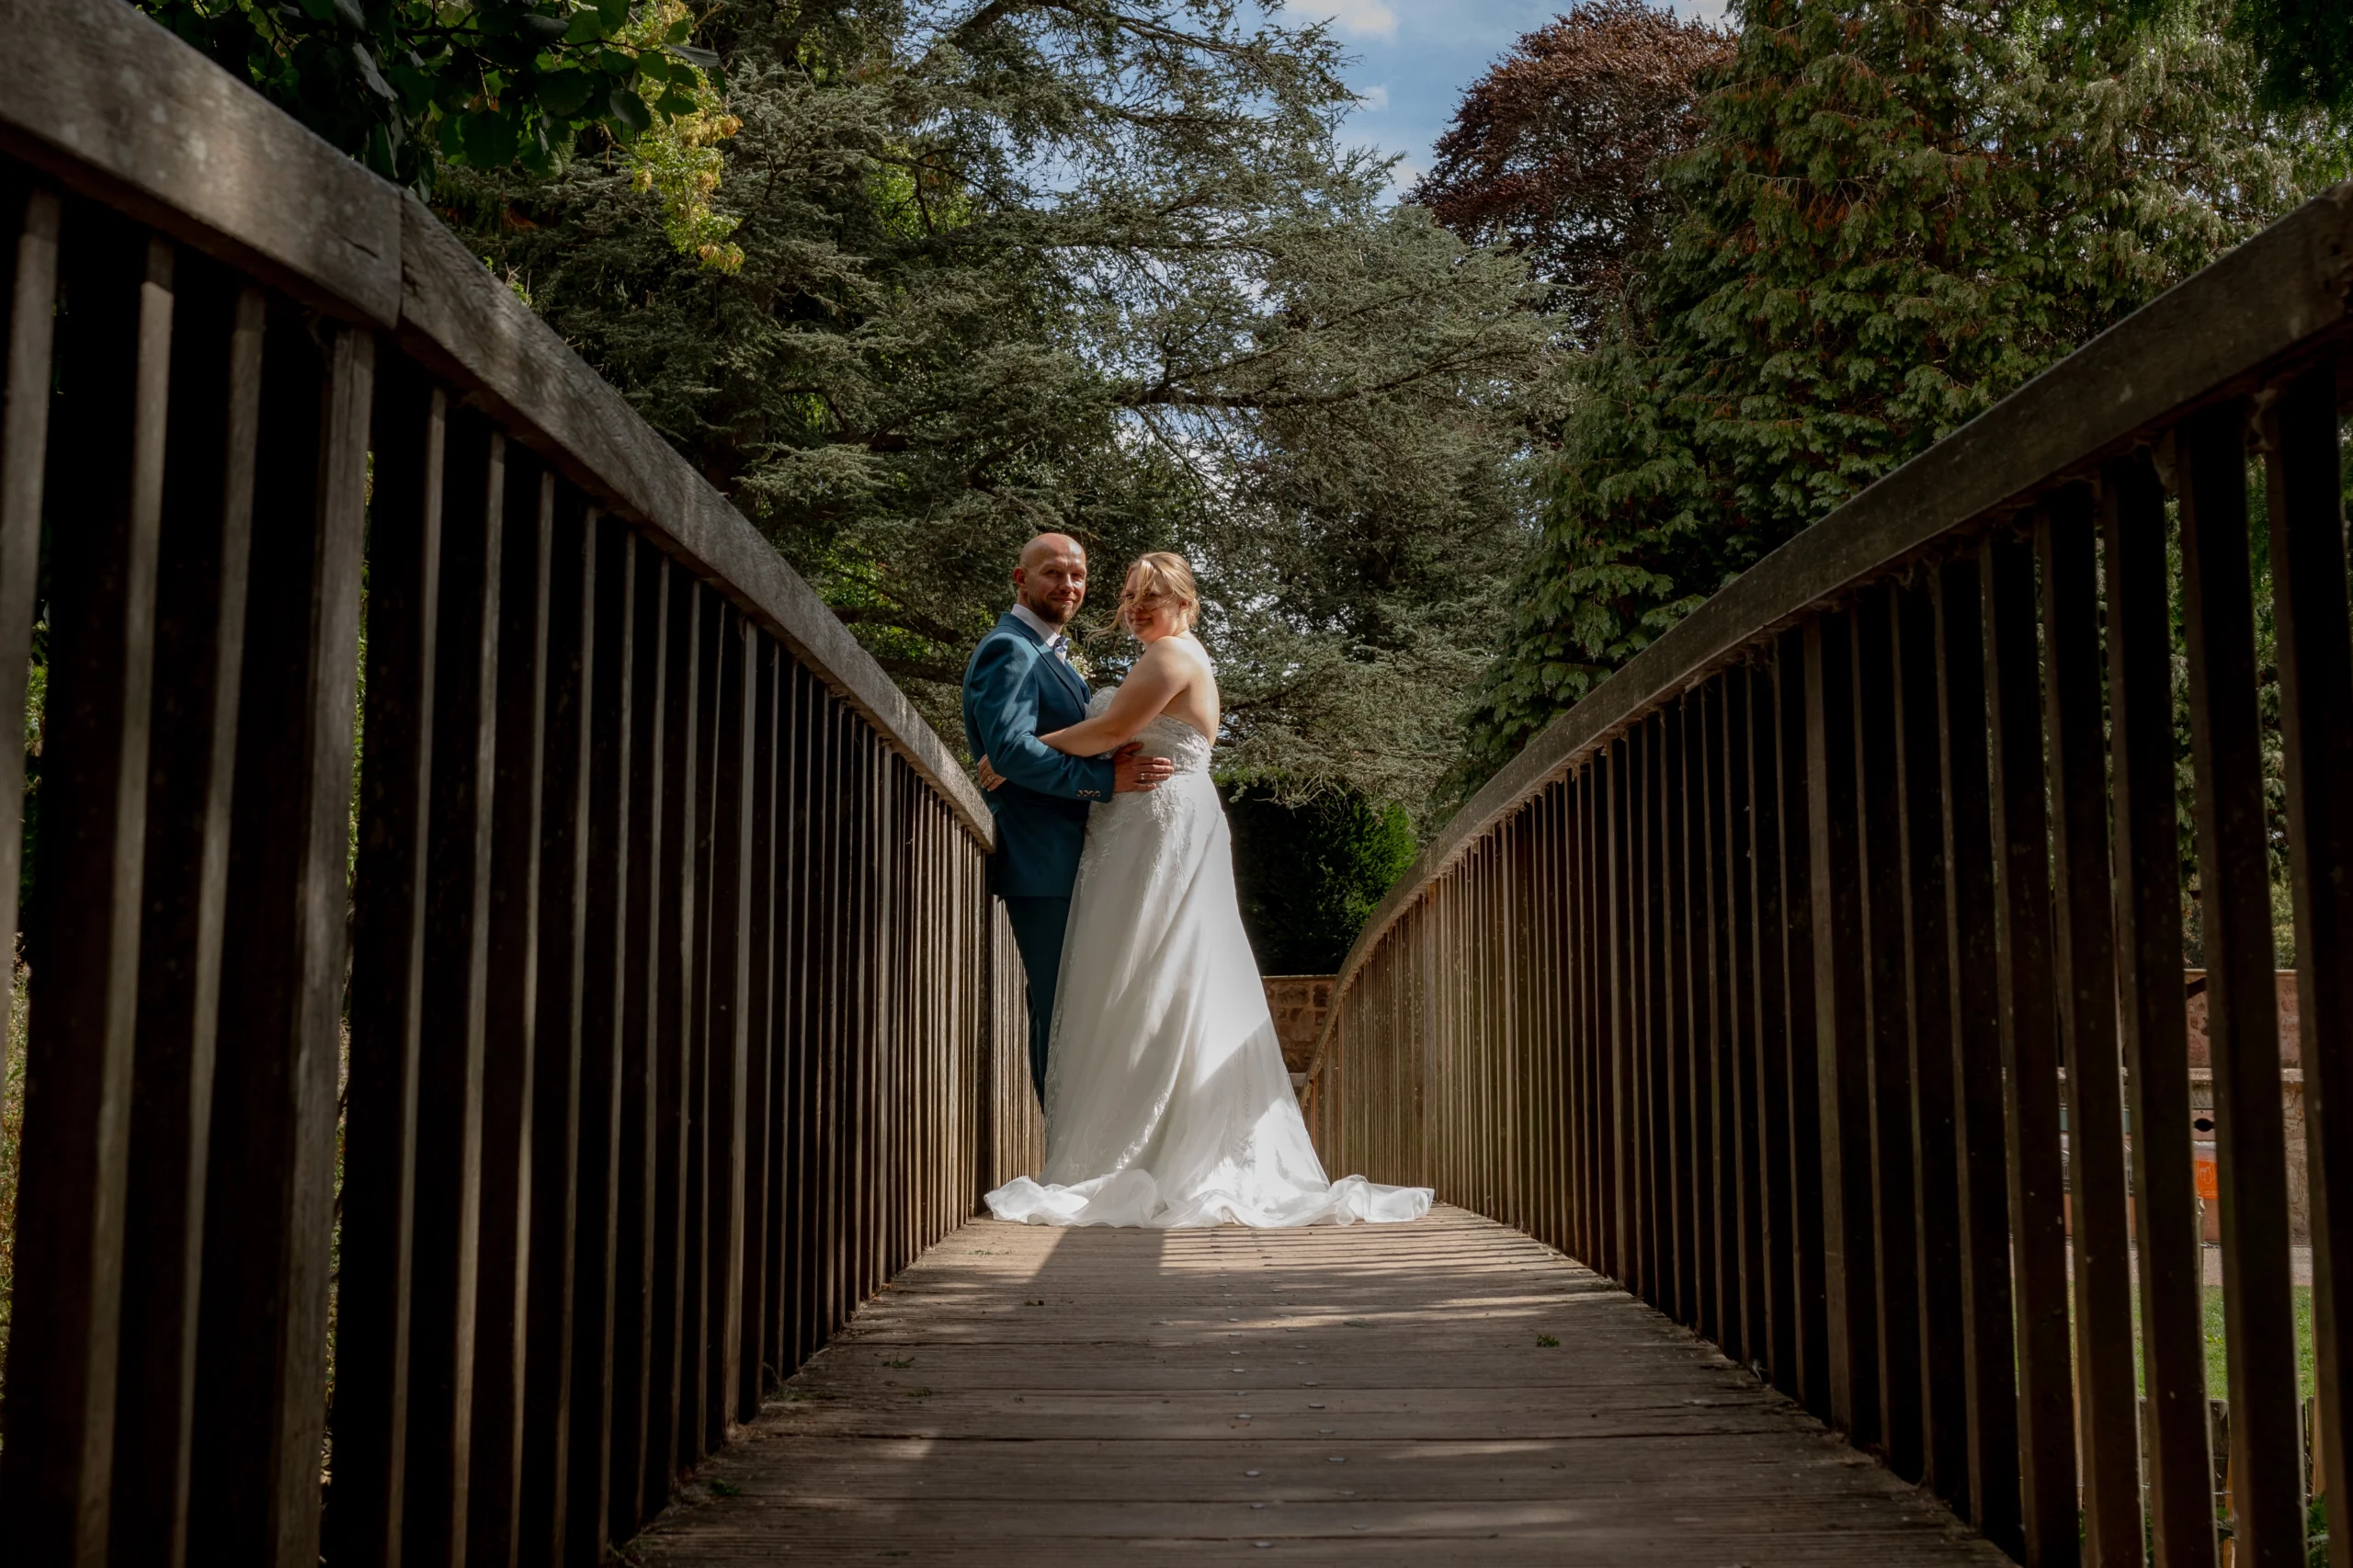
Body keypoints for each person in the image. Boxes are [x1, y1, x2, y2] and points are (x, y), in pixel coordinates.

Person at [974, 551, 1432, 1228]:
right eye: (1129, 595)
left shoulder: (1169, 657)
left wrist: (1010, 758)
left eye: (1151, 596)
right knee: (1149, 980)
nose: (1135, 607)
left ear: (1185, 600)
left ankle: (1156, 1148)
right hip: (1139, 826)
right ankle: (1140, 1136)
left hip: (1157, 826)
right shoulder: (1163, 654)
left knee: (1159, 974)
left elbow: (1109, 731)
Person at [961, 533, 1174, 1106]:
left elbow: (1045, 744)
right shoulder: (1009, 649)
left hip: (1077, 857)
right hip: (1042, 860)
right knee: (1061, 1014)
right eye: (1053, 573)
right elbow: (1008, 750)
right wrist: (1105, 781)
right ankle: (1064, 1164)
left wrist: (1110, 755)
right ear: (1020, 579)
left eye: (1078, 575)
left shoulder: (1050, 656)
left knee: (1083, 1015)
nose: (1069, 586)